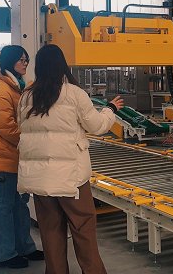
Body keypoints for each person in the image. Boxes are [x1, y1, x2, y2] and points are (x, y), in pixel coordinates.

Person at [17, 44, 124, 274]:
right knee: (83, 231)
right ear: (62, 65)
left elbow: (23, 128)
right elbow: (97, 126)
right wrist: (110, 110)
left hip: (40, 180)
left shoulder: (26, 96)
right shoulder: (74, 94)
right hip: (71, 180)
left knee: (50, 233)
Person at [0, 45, 44, 269]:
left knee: (20, 203)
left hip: (18, 155)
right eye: (21, 60)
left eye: (26, 60)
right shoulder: (1, 91)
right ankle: (4, 254)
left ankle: (24, 247)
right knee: (5, 204)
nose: (25, 63)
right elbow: (6, 128)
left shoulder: (20, 87)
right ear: (10, 62)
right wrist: (32, 140)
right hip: (5, 156)